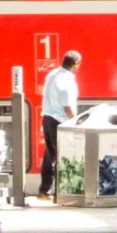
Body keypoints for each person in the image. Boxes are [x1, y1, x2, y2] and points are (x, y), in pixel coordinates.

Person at [38, 51, 81, 200]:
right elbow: (68, 107)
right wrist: (77, 123)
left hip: (47, 118)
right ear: (75, 64)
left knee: (50, 155)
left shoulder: (52, 74)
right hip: (60, 122)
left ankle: (44, 191)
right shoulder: (66, 80)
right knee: (63, 156)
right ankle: (60, 193)